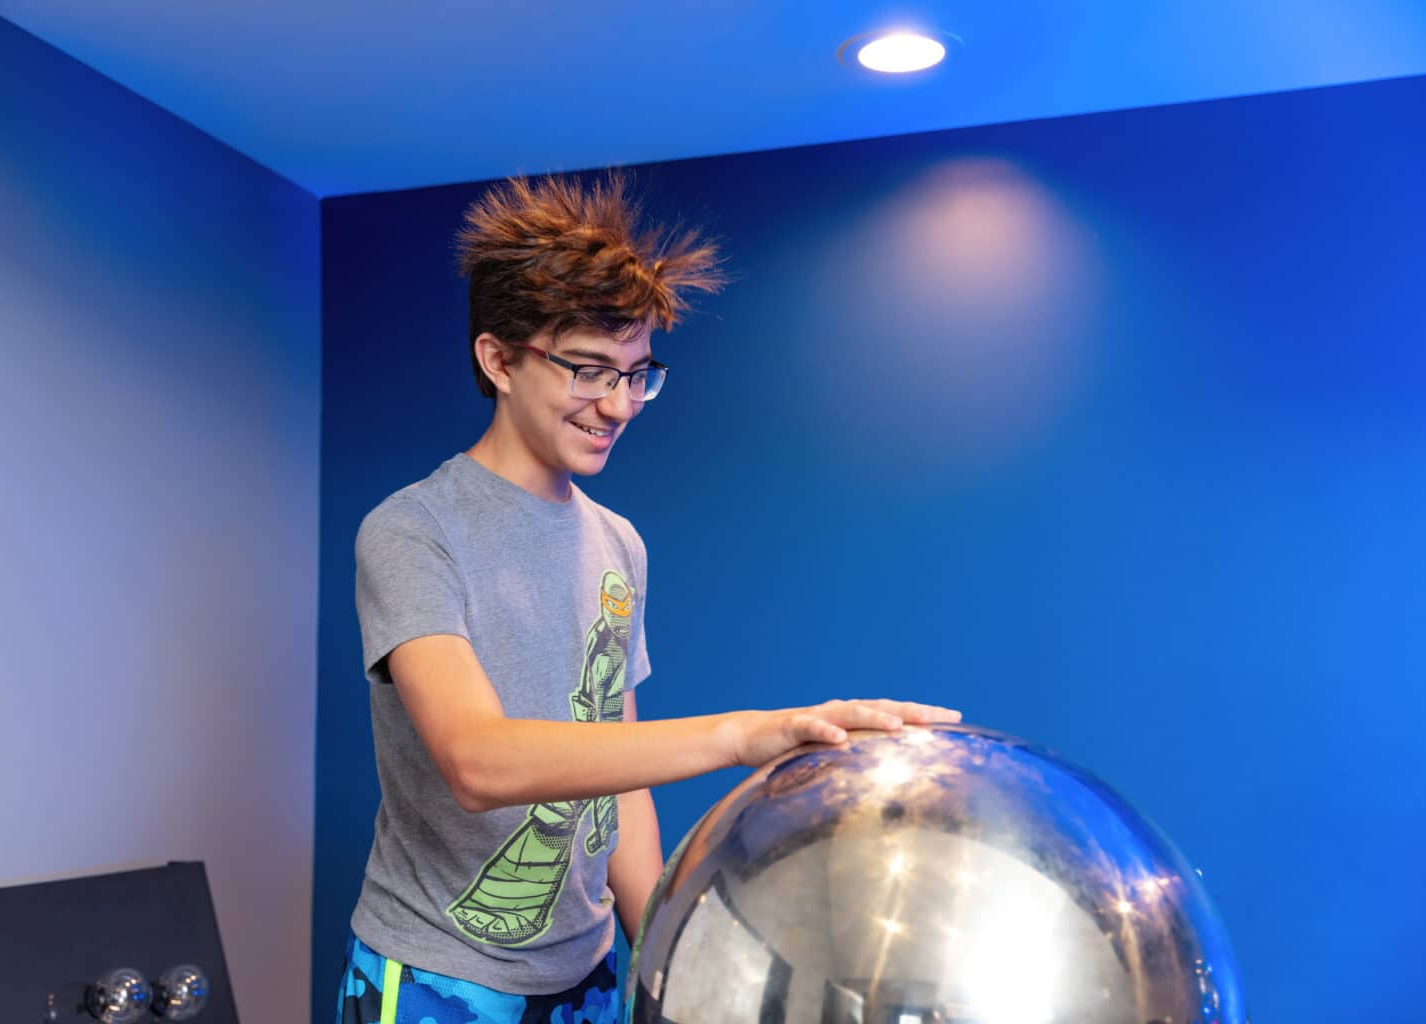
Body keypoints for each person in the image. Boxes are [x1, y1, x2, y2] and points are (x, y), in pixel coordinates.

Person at [337, 174, 960, 1024]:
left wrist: (661, 959)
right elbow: (476, 763)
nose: (619, 404)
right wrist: (742, 735)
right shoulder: (412, 531)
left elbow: (618, 773)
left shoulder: (618, 543)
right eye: (588, 371)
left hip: (589, 970)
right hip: (443, 979)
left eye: (637, 375)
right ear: (498, 359)